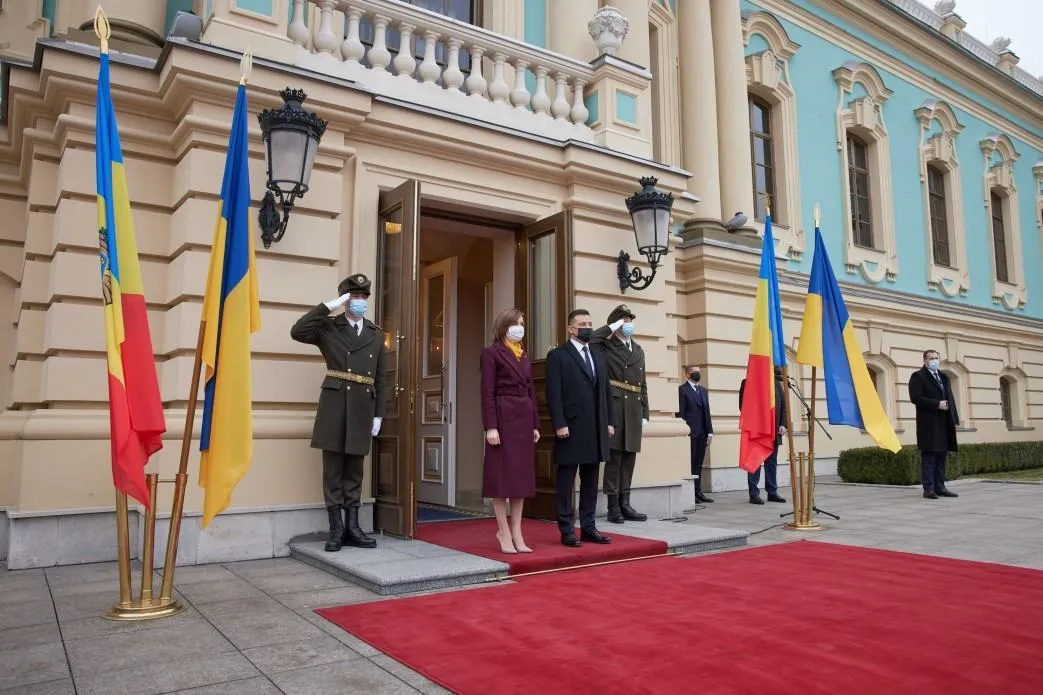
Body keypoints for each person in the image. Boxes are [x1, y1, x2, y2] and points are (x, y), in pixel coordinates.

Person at [290, 274, 386, 551]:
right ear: (345, 300)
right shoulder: (328, 328)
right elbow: (297, 331)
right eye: (353, 297)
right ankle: (336, 529)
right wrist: (328, 306)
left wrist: (378, 414)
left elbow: (381, 378)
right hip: (334, 406)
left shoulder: (375, 333)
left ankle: (354, 527)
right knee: (333, 471)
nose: (359, 301)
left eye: (363, 297)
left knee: (354, 471)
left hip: (361, 407)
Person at [545, 309, 615, 547]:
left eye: (590, 323)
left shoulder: (597, 353)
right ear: (570, 328)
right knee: (566, 482)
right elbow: (553, 394)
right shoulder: (558, 356)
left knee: (590, 480)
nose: (587, 327)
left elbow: (605, 391)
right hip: (571, 427)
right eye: (582, 323)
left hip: (595, 427)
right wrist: (559, 423)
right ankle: (566, 529)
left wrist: (609, 421)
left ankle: (588, 527)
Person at [480, 308, 540, 554]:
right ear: (504, 326)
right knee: (501, 478)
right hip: (503, 418)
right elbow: (487, 392)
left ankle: (517, 531)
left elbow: (532, 391)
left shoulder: (523, 355)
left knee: (520, 478)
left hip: (524, 418)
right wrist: (491, 426)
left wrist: (536, 423)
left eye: (522, 323)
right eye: (516, 323)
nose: (520, 327)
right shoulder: (491, 353)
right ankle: (503, 531)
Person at [591, 304, 649, 524]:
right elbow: (592, 339)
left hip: (634, 406)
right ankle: (613, 505)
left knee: (629, 456)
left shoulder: (638, 349)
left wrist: (645, 411)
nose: (628, 324)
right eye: (623, 320)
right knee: (614, 457)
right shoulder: (605, 346)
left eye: (629, 320)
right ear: (616, 324)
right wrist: (610, 327)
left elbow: (643, 384)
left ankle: (626, 503)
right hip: (615, 405)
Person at [908, 349, 960, 499]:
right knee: (929, 457)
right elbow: (916, 398)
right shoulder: (918, 376)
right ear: (924, 361)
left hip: (944, 422)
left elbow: (950, 398)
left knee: (941, 457)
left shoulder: (943, 377)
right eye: (931, 358)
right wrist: (936, 404)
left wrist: (954, 419)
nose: (934, 360)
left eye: (936, 358)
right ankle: (929, 488)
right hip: (929, 424)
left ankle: (940, 486)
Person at [739, 367, 788, 505]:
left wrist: (783, 424)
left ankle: (772, 492)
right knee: (754, 462)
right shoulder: (747, 382)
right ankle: (753, 493)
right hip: (758, 431)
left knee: (772, 463)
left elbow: (784, 405)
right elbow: (743, 406)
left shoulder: (776, 384)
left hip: (774, 430)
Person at [678, 366, 715, 505]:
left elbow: (707, 413)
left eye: (699, 372)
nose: (698, 374)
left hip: (703, 433)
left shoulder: (703, 391)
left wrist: (710, 432)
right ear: (688, 374)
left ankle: (699, 492)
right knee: (691, 463)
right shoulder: (682, 390)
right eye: (695, 372)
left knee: (699, 463)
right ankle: (691, 493)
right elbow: (682, 413)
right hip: (691, 433)